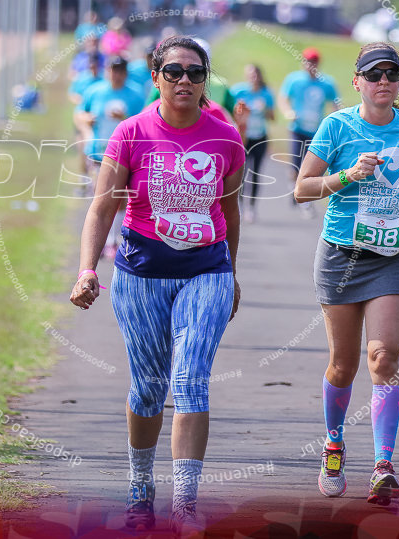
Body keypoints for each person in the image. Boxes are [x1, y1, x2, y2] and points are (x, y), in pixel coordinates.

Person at [69, 36, 244, 536]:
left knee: (190, 381)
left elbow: (230, 213)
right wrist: (87, 271)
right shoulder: (131, 132)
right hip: (141, 274)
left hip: (206, 270)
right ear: (156, 77)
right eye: (174, 72)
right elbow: (102, 207)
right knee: (148, 388)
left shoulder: (225, 137)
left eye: (194, 72)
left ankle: (185, 505)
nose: (184, 80)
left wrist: (230, 273)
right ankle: (140, 489)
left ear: (205, 78)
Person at [293, 42, 399, 505]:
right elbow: (302, 189)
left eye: (392, 75)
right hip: (341, 257)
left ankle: (382, 465)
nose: (383, 83)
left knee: (384, 358)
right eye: (373, 75)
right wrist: (350, 174)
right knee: (344, 364)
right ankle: (334, 445)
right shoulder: (338, 127)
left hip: (393, 256)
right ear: (356, 81)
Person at [74, 56, 145, 258]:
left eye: (121, 71)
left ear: (126, 72)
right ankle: (100, 239)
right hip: (98, 151)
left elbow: (144, 121)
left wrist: (124, 119)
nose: (116, 75)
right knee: (101, 194)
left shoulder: (135, 94)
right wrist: (85, 119)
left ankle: (114, 240)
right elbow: (79, 113)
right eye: (113, 70)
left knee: (120, 196)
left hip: (126, 153)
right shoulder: (95, 91)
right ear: (108, 71)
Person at [278, 48, 340, 217]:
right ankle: (295, 187)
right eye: (307, 61)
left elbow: (336, 104)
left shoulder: (327, 83)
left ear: (318, 64)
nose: (310, 65)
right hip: (298, 128)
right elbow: (283, 98)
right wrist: (288, 112)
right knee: (295, 165)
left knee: (313, 168)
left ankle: (306, 200)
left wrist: (336, 122)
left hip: (317, 131)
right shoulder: (294, 80)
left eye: (313, 62)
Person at [230, 64, 275, 223]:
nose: (253, 77)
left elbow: (272, 117)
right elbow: (230, 112)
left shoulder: (266, 94)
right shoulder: (238, 91)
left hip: (260, 137)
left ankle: (252, 207)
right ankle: (239, 204)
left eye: (255, 74)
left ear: (260, 75)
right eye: (250, 74)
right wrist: (239, 109)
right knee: (240, 173)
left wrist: (264, 109)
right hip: (243, 138)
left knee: (255, 173)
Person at [146, 38, 235, 116]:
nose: (185, 80)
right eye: (174, 72)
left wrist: (241, 128)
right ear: (155, 79)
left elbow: (234, 111)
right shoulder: (134, 131)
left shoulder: (223, 126)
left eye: (196, 72)